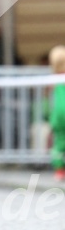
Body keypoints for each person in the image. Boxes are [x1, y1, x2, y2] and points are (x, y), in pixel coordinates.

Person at [48, 45, 65, 181]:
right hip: (60, 115)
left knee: (59, 144)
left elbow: (50, 99)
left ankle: (59, 170)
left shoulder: (53, 79)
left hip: (58, 116)